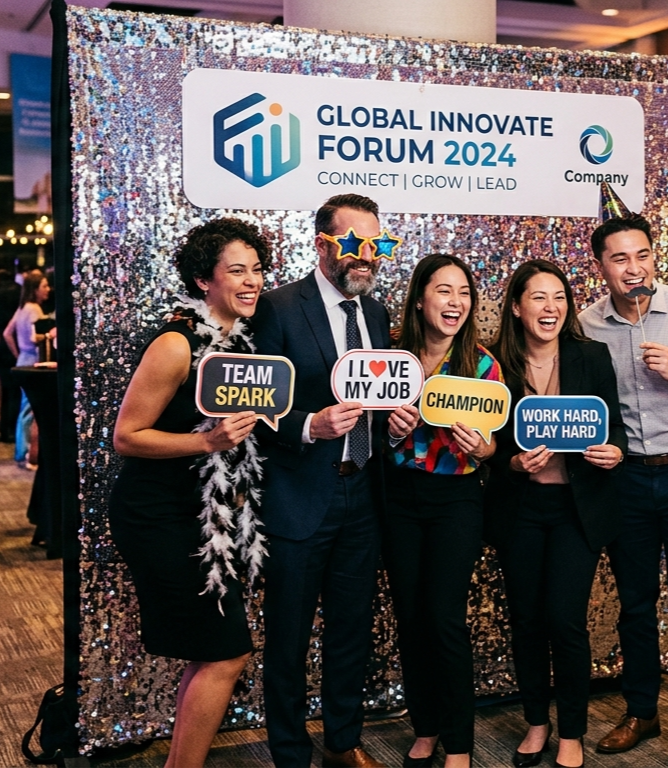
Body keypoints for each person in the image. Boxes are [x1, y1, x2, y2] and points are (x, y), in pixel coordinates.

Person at [252, 193, 411, 768]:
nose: (364, 257)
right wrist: (308, 425)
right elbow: (253, 407)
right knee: (289, 636)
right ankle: (291, 753)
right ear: (321, 243)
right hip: (300, 496)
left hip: (364, 492)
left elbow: (381, 393)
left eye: (375, 245)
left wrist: (396, 423)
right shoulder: (277, 308)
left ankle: (344, 741)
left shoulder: (376, 312)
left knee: (352, 628)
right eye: (352, 244)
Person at [108, 218, 270, 768]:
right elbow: (127, 436)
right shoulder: (177, 344)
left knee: (211, 653)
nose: (252, 281)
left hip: (205, 521)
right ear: (204, 280)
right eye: (237, 271)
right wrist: (209, 443)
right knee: (227, 653)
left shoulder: (239, 343)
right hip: (159, 517)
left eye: (257, 270)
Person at [578, 217, 668, 768]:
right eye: (619, 258)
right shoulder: (588, 326)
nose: (633, 268)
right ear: (602, 266)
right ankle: (642, 711)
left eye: (642, 255)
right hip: (626, 479)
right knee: (634, 605)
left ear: (654, 256)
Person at [488, 260, 626, 768]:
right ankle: (536, 723)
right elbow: (488, 448)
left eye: (559, 298)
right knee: (525, 621)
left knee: (565, 621)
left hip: (577, 509)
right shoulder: (493, 364)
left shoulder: (590, 356)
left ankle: (571, 730)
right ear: (517, 307)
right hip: (520, 507)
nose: (551, 308)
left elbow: (614, 427)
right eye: (539, 298)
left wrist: (615, 450)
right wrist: (513, 462)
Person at [382, 254, 499, 768]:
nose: (455, 303)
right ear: (420, 299)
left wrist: (483, 448)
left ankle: (459, 744)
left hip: (456, 499)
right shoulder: (389, 358)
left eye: (464, 293)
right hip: (400, 498)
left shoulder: (483, 366)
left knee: (444, 618)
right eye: (444, 291)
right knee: (410, 616)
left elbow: (495, 447)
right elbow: (366, 436)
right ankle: (424, 727)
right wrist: (388, 432)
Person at [4, 272, 50, 469]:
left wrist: (18, 354)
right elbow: (34, 337)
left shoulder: (22, 308)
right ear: (35, 289)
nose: (48, 289)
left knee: (25, 408)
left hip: (23, 358)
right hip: (32, 360)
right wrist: (49, 334)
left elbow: (7, 333)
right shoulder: (34, 309)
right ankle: (24, 452)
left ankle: (21, 450)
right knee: (29, 410)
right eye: (44, 286)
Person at [0, 270, 22, 443]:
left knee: (5, 390)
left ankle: (4, 428)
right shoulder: (20, 290)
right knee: (16, 390)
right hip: (19, 342)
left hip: (3, 343)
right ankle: (14, 429)